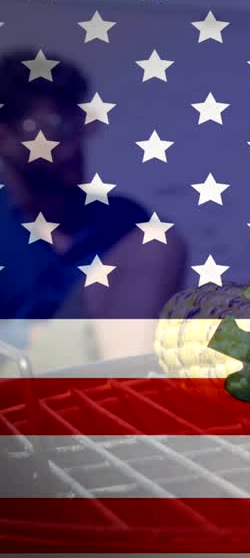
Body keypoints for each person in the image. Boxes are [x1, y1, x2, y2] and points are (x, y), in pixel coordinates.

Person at [0, 49, 188, 363]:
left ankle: (121, 394)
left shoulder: (124, 223)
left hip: (96, 383)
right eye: (53, 125)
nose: (72, 142)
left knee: (157, 242)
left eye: (78, 122)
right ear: (3, 135)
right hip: (14, 389)